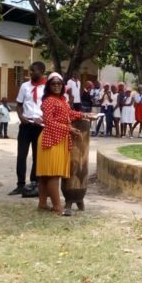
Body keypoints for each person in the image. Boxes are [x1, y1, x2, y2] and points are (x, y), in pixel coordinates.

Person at [36, 72, 94, 215]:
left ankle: (42, 204)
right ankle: (58, 207)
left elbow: (70, 114)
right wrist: (68, 128)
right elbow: (48, 122)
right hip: (51, 139)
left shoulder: (62, 100)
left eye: (59, 84)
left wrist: (85, 115)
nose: (56, 86)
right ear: (48, 86)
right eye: (53, 84)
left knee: (45, 175)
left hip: (59, 138)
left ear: (63, 86)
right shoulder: (49, 101)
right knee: (53, 174)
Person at [10, 62, 47, 196]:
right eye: (30, 71)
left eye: (33, 71)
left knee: (37, 156)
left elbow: (50, 106)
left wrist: (43, 117)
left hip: (39, 126)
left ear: (42, 71)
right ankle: (20, 184)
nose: (30, 73)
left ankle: (34, 183)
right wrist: (21, 117)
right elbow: (19, 105)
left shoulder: (47, 87)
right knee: (21, 155)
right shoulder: (25, 86)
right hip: (26, 125)